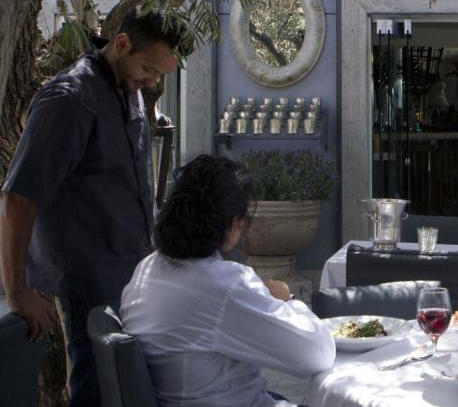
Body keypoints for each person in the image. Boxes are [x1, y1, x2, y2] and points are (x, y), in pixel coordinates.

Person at [0, 7, 186, 407]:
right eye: (148, 68)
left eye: (161, 74)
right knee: (96, 392)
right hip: (89, 284)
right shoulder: (69, 100)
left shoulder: (130, 90)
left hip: (132, 275)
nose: (153, 80)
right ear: (121, 44)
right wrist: (16, 291)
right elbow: (18, 198)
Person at [120, 155, 335, 407]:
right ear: (233, 222)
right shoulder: (224, 285)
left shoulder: (146, 271)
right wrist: (287, 300)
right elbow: (318, 353)